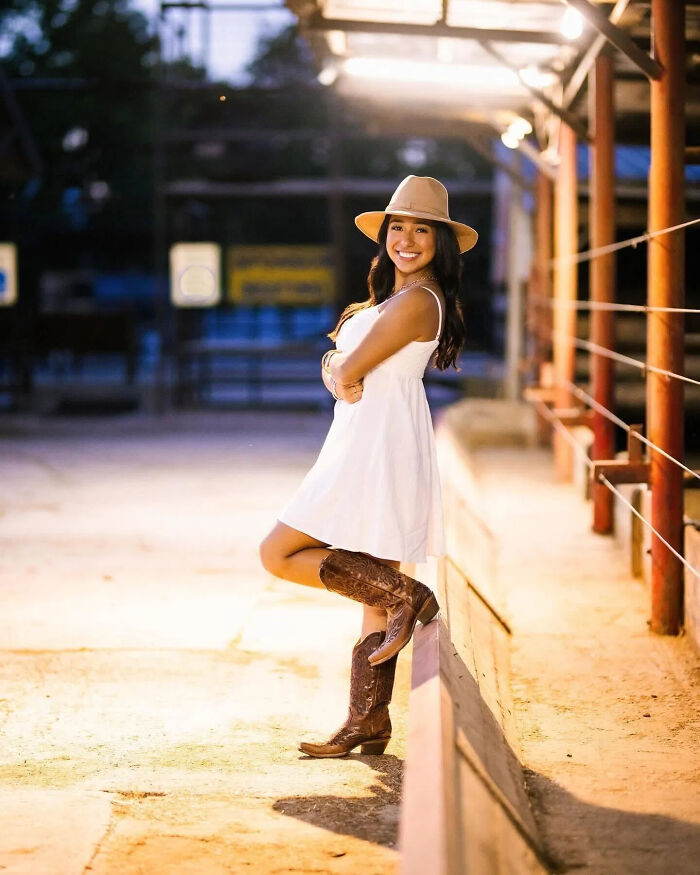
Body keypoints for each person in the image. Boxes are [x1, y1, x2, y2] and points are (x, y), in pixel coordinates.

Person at [259, 175, 478, 758]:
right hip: (373, 437)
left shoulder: (415, 303)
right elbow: (342, 369)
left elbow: (348, 371)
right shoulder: (399, 300)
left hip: (374, 444)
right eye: (398, 228)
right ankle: (368, 721)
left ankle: (408, 595)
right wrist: (337, 365)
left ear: (441, 242)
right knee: (370, 596)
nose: (407, 239)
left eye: (422, 229)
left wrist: (336, 364)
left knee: (276, 552)